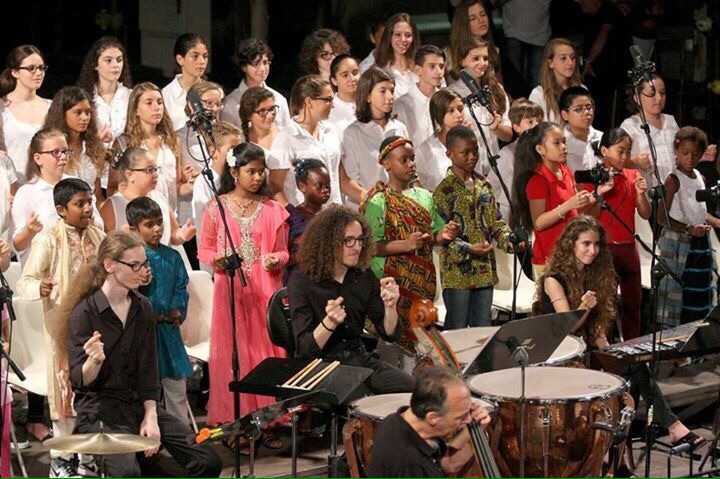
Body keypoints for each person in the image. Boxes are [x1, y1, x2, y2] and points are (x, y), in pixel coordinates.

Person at [534, 214, 707, 452]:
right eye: (586, 244)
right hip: (560, 357)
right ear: (571, 244)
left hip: (586, 350)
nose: (593, 250)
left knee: (634, 365)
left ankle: (647, 435)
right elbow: (567, 327)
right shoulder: (553, 279)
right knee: (629, 371)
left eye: (596, 244)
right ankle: (637, 439)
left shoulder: (594, 275)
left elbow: (597, 329)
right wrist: (584, 307)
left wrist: (611, 354)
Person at [64, 231, 222, 477]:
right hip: (101, 410)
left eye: (144, 263)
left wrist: (151, 416)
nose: (144, 271)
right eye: (135, 265)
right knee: (128, 473)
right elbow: (80, 381)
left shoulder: (142, 307)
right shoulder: (84, 314)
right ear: (110, 265)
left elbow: (148, 370)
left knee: (208, 459)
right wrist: (93, 361)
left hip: (137, 403)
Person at [198, 143, 289, 442]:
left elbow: (285, 252)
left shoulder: (274, 210)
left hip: (264, 290)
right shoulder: (217, 209)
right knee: (236, 354)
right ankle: (236, 425)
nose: (258, 177)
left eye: (262, 171)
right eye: (251, 171)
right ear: (235, 172)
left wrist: (276, 259)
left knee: (264, 354)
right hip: (231, 291)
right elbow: (204, 250)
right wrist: (219, 260)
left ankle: (267, 423)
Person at [16, 178, 105, 477]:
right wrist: (39, 287)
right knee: (65, 394)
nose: (88, 208)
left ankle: (88, 458)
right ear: (61, 209)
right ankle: (62, 460)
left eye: (90, 202)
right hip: (63, 330)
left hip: (97, 326)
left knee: (93, 393)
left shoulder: (99, 236)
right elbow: (24, 282)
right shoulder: (49, 240)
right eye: (80, 204)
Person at [288, 206, 414, 396]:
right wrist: (329, 323)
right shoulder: (302, 281)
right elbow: (305, 349)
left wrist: (390, 307)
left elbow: (389, 335)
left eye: (360, 240)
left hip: (358, 359)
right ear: (328, 243)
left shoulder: (363, 276)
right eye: (348, 240)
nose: (357, 247)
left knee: (417, 391)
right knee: (360, 400)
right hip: (320, 367)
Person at [362, 136, 458, 353]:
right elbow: (370, 246)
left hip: (422, 280)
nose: (411, 164)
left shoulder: (425, 196)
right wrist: (405, 245)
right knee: (392, 342)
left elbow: (433, 234)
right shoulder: (378, 201)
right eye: (403, 160)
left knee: (421, 341)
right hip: (391, 284)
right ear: (386, 164)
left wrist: (443, 234)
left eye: (412, 158)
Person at [433, 126, 519, 328]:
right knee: (457, 327)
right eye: (465, 153)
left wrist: (510, 241)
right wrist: (468, 248)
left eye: (475, 151)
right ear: (450, 154)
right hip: (457, 273)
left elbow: (495, 222)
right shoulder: (443, 191)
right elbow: (442, 235)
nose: (472, 156)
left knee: (482, 327)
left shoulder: (484, 185)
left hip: (484, 271)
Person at [128, 197, 192, 425]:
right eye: (149, 225)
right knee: (142, 390)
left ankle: (180, 436)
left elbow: (181, 287)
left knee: (176, 388)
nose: (157, 229)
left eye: (159, 222)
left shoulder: (172, 257)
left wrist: (177, 309)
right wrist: (146, 314)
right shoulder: (129, 260)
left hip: (167, 332)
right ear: (133, 229)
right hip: (140, 335)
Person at [582, 128, 651, 340]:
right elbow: (588, 217)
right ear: (604, 150)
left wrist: (641, 195)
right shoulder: (594, 177)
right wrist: (599, 193)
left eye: (628, 152)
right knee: (606, 304)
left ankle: (631, 347)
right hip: (604, 249)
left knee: (633, 303)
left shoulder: (633, 175)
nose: (624, 157)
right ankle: (605, 350)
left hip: (629, 246)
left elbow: (645, 213)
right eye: (620, 151)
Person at [367, 366, 491, 478]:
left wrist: (478, 426)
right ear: (433, 418)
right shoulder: (410, 465)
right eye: (460, 417)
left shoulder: (400, 420)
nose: (468, 420)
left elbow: (449, 464)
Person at [512, 122, 595, 276]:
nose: (564, 147)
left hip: (572, 254)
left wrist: (595, 196)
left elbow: (576, 210)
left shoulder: (566, 171)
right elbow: (539, 223)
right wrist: (568, 205)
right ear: (540, 149)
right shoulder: (538, 180)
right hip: (549, 258)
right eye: (556, 143)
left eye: (564, 142)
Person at [12, 128, 103, 266]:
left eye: (65, 151)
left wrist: (91, 221)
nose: (63, 157)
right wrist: (30, 230)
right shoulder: (27, 193)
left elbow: (99, 226)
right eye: (55, 152)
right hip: (45, 268)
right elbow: (18, 245)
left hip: (79, 266)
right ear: (38, 158)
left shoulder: (78, 184)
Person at [656, 127, 719, 327]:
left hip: (700, 243)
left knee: (700, 291)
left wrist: (713, 222)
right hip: (678, 244)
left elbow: (699, 210)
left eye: (695, 154)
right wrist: (688, 229)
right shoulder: (673, 180)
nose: (690, 158)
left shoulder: (700, 177)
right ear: (676, 151)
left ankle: (698, 334)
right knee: (679, 293)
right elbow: (661, 217)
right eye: (685, 153)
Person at [111, 82, 191, 213]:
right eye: (149, 103)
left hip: (169, 214)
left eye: (159, 102)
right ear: (136, 110)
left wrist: (190, 184)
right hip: (138, 215)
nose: (156, 107)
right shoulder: (124, 143)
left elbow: (175, 185)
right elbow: (113, 187)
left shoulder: (172, 141)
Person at [267, 75, 342, 207]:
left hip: (334, 212)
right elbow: (275, 187)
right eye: (328, 100)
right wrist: (293, 215)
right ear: (309, 101)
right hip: (305, 215)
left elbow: (341, 177)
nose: (333, 105)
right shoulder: (287, 137)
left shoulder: (331, 131)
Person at [339, 67, 409, 207]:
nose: (390, 96)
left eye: (392, 91)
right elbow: (351, 180)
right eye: (383, 91)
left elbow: (408, 169)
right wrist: (377, 203)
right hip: (366, 209)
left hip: (399, 208)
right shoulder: (353, 133)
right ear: (368, 96)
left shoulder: (399, 128)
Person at [100, 147, 196, 246]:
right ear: (130, 175)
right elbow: (105, 245)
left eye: (156, 169)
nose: (155, 174)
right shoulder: (113, 206)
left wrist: (182, 234)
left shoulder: (159, 197)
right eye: (149, 170)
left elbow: (173, 234)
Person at [447, 37, 512, 165]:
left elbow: (508, 135)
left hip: (494, 164)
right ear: (462, 61)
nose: (482, 63)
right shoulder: (451, 93)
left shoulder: (496, 89)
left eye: (485, 58)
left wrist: (496, 128)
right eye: (476, 58)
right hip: (467, 165)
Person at [42, 86, 107, 200]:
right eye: (78, 112)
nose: (85, 118)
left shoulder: (93, 147)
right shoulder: (51, 150)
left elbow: (98, 196)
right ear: (62, 114)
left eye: (88, 112)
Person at [0, 45, 51, 183]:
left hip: (44, 186)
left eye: (41, 68)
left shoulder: (52, 107)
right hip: (10, 186)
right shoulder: (2, 108)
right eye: (31, 68)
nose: (38, 73)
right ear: (15, 72)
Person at [487, 99, 544, 221]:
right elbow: (491, 186)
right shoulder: (507, 154)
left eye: (539, 121)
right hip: (512, 213)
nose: (536, 125)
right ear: (516, 127)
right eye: (530, 122)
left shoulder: (545, 150)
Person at [619, 74, 678, 187]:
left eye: (662, 93)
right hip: (647, 189)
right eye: (652, 94)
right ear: (637, 98)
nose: (659, 98)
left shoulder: (670, 121)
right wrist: (635, 161)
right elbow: (616, 159)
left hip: (675, 188)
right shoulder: (630, 126)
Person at [221, 38, 292, 130]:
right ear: (244, 67)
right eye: (256, 63)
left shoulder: (279, 99)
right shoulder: (231, 102)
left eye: (265, 63)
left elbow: (287, 134)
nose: (262, 68)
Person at [76, 36, 133, 146]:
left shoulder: (131, 96)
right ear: (95, 65)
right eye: (108, 60)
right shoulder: (83, 98)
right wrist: (96, 139)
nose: (115, 65)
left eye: (119, 60)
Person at [192, 121, 243, 243]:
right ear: (213, 152)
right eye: (231, 149)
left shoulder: (240, 177)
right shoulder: (203, 183)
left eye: (239, 149)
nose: (238, 155)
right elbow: (203, 222)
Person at [285, 158, 331, 284]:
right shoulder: (292, 217)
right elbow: (284, 256)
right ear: (302, 186)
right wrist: (308, 253)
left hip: (328, 281)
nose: (326, 190)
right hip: (300, 281)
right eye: (319, 186)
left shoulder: (332, 216)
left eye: (328, 185)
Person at [414, 89, 470, 191]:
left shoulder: (470, 142)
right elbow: (419, 187)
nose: (459, 115)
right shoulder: (425, 150)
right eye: (451, 111)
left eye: (460, 109)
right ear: (439, 114)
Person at [494, 0, 551, 94]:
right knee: (513, 78)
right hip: (513, 33)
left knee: (537, 81)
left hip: (541, 34)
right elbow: (495, 3)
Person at [393, 45, 446, 146]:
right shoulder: (402, 105)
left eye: (441, 66)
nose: (439, 71)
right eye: (432, 66)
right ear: (418, 70)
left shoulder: (445, 101)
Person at [161, 33, 209, 131]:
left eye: (205, 56)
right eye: (195, 56)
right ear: (180, 59)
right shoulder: (166, 95)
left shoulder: (212, 91)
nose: (202, 61)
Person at [529, 38, 583, 124]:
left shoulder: (582, 90)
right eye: (563, 58)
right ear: (551, 63)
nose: (570, 62)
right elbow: (534, 129)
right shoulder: (538, 94)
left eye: (573, 57)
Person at [447, 0, 502, 83]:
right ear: (463, 24)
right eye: (473, 18)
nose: (481, 20)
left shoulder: (494, 50)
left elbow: (499, 86)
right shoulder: (449, 55)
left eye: (483, 15)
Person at [374, 13, 421, 99]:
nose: (403, 39)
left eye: (408, 35)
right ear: (389, 36)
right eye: (398, 35)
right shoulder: (378, 70)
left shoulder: (422, 67)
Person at [558, 86, 604, 173]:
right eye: (579, 109)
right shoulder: (560, 143)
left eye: (589, 107)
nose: (587, 112)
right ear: (565, 115)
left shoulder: (602, 138)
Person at [238, 86, 281, 152]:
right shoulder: (239, 140)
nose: (270, 116)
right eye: (262, 111)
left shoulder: (284, 136)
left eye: (272, 109)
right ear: (248, 115)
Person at [328, 54, 360, 136]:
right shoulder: (329, 110)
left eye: (355, 73)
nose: (352, 78)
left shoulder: (371, 103)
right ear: (334, 80)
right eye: (345, 75)